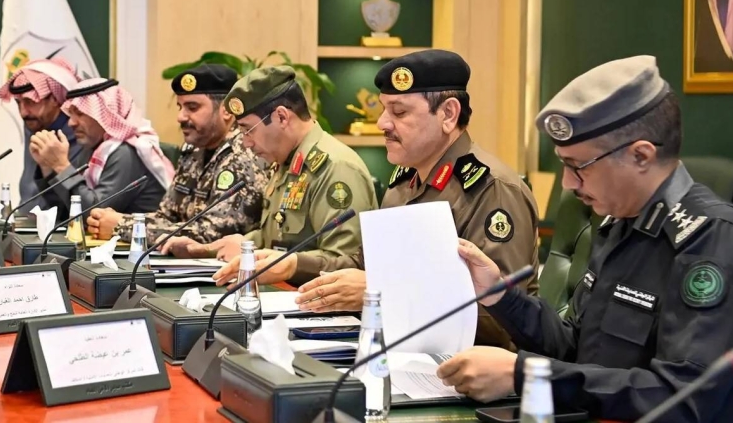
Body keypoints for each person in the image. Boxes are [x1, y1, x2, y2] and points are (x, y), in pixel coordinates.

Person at [435, 56, 733, 422]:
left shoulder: (716, 242)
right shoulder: (621, 224)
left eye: (578, 166)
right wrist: (501, 295)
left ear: (641, 155)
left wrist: (526, 374)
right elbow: (576, 350)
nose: (568, 183)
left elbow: (685, 399)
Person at [292, 50, 539, 348]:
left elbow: (499, 320)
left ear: (448, 114)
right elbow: (366, 264)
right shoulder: (404, 181)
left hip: (471, 367)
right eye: (384, 110)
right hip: (402, 351)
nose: (382, 123)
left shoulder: (493, 189)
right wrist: (293, 265)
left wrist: (382, 293)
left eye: (399, 113)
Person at [166, 66, 376, 287]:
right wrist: (233, 246)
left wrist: (290, 264)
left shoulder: (335, 167)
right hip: (282, 293)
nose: (245, 143)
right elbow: (278, 238)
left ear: (282, 117)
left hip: (316, 302)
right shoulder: (285, 161)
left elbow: (348, 264)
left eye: (248, 130)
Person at [85, 64, 269, 244]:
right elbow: (166, 217)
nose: (180, 117)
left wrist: (122, 226)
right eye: (180, 107)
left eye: (192, 107)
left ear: (226, 111)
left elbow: (211, 233)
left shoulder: (244, 154)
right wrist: (115, 220)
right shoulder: (193, 151)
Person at [33, 77, 173, 219]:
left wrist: (62, 166)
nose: (71, 122)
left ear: (106, 115)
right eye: (71, 114)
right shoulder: (91, 149)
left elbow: (94, 215)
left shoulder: (125, 152)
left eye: (80, 113)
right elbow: (65, 211)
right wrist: (47, 167)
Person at [0, 57, 83, 213]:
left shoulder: (80, 132)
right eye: (18, 103)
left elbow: (80, 201)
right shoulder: (35, 123)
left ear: (55, 99)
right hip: (26, 219)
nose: (23, 113)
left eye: (30, 102)